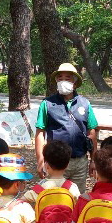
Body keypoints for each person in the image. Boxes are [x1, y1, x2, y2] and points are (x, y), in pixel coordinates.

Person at [34, 63, 98, 195]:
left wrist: (93, 160)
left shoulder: (85, 104)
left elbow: (91, 132)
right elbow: (40, 133)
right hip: (54, 163)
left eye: (68, 78)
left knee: (77, 197)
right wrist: (40, 160)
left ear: (74, 83)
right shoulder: (47, 104)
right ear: (56, 81)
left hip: (80, 162)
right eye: (60, 78)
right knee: (53, 198)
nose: (63, 81)